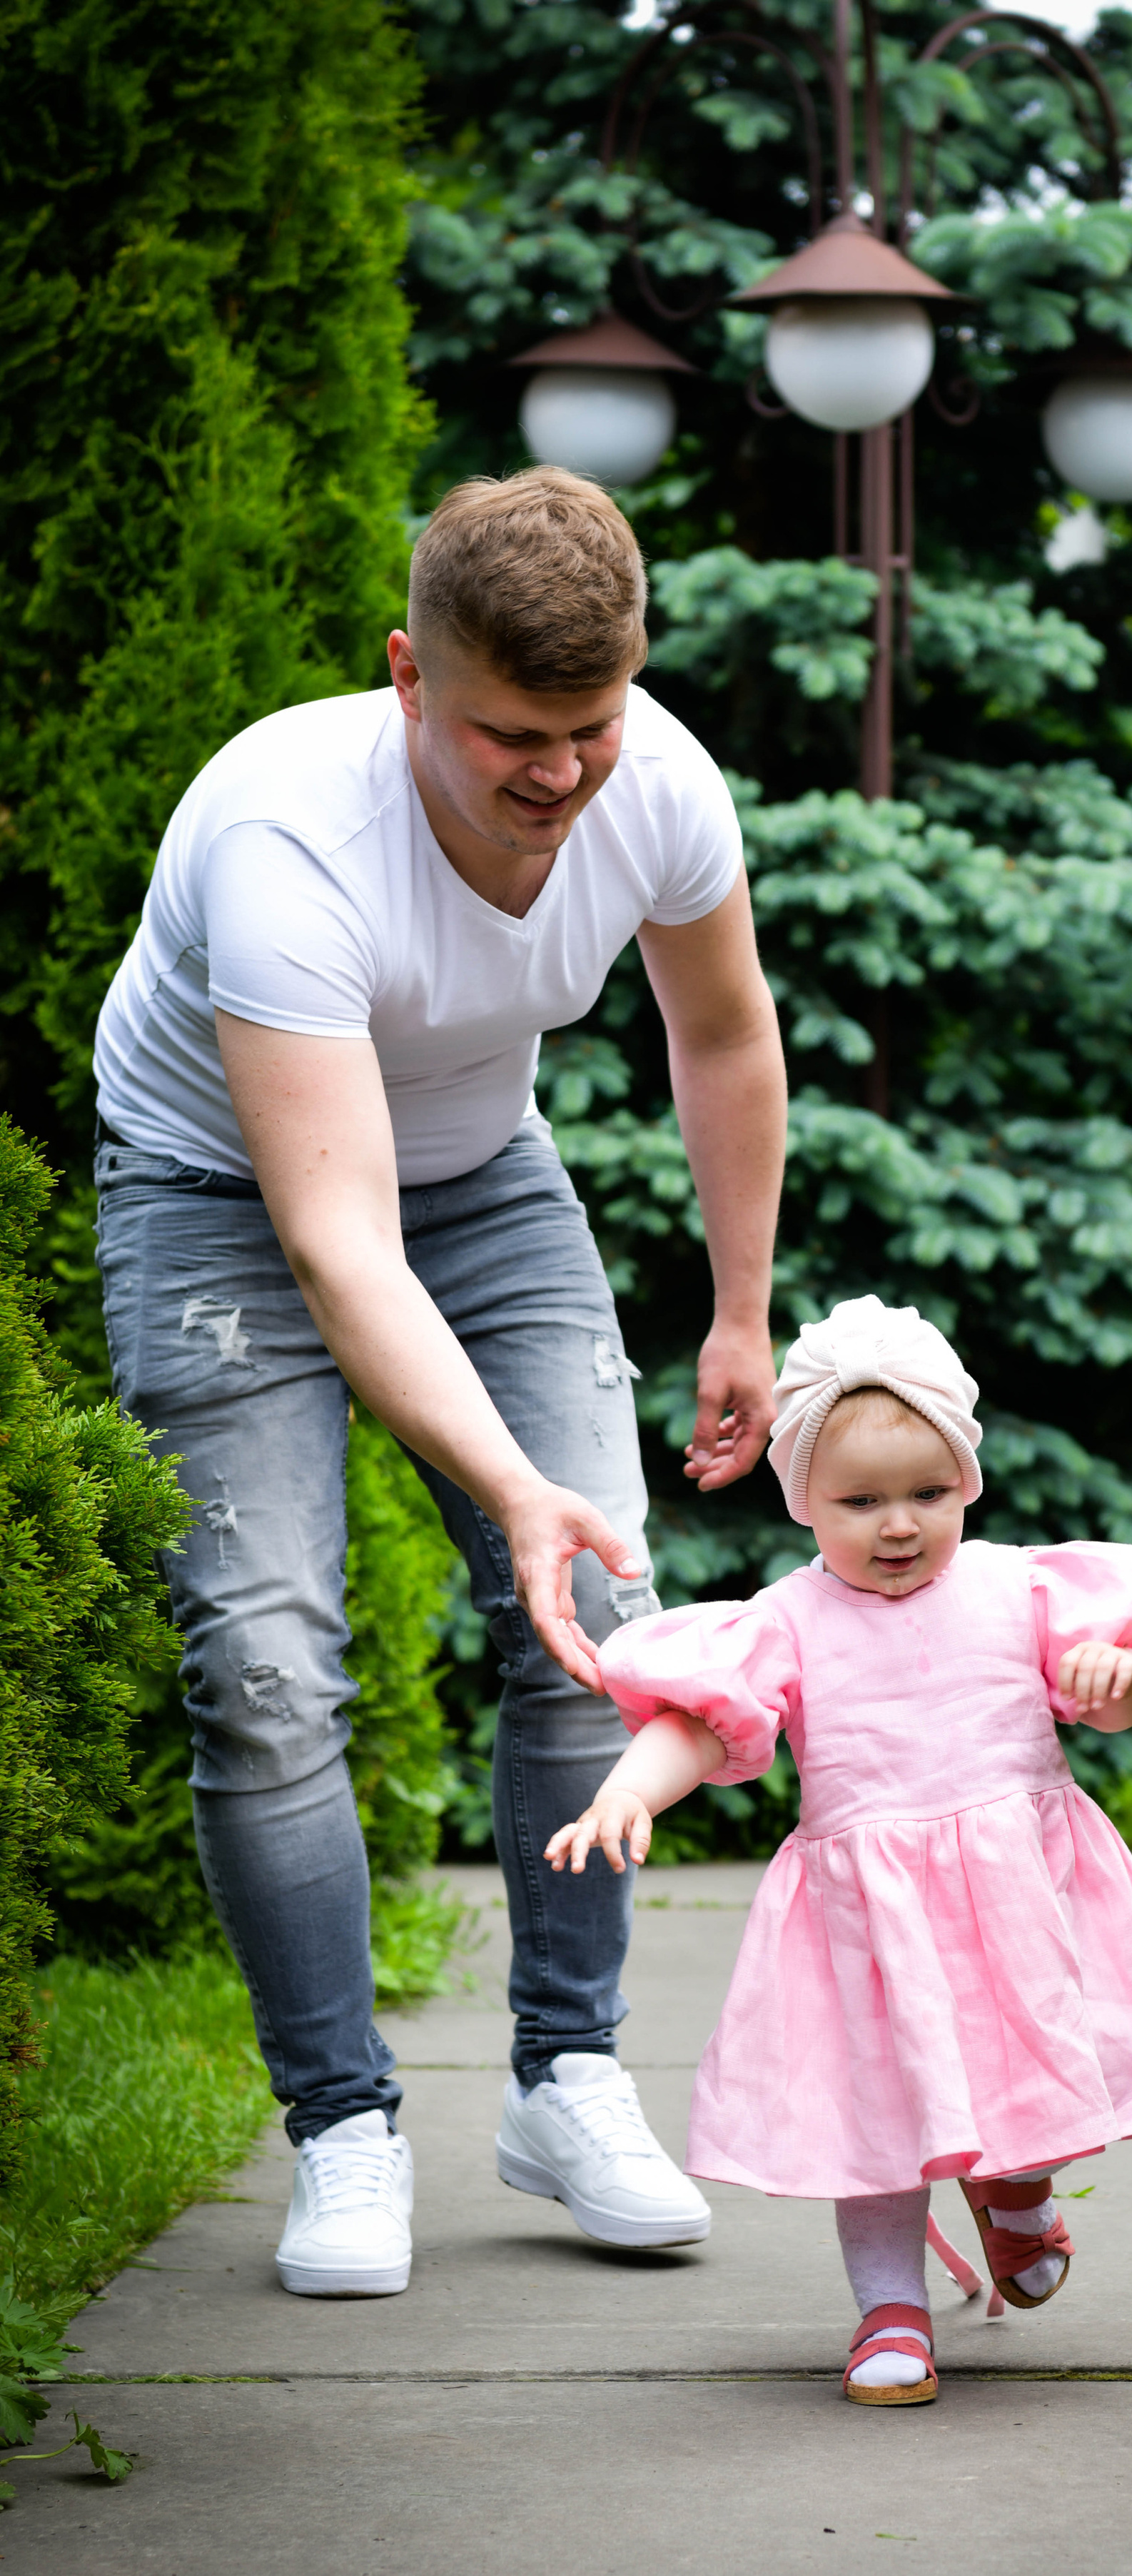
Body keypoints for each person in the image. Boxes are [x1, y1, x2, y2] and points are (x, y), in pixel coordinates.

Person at [91, 468, 787, 2298]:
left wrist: (738, 1311)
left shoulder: (662, 783)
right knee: (262, 1664)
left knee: (596, 1614)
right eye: (506, 736)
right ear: (408, 676)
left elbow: (717, 1030)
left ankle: (563, 2077)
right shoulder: (285, 844)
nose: (556, 774)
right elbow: (337, 1248)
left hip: (480, 1175)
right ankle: (340, 2124)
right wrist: (510, 1485)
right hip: (222, 1194)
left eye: (590, 727)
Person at [544, 1294, 1132, 2405]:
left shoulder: (1018, 1589)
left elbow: (1106, 1697)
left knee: (1023, 2062)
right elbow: (701, 1722)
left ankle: (1015, 2193)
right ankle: (889, 2312)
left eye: (927, 1493)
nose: (897, 1525)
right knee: (879, 2116)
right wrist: (630, 1792)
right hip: (869, 1920)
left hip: (1015, 1901)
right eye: (860, 1502)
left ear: (968, 1482)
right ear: (803, 1498)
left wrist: (1120, 1686)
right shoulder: (790, 1621)